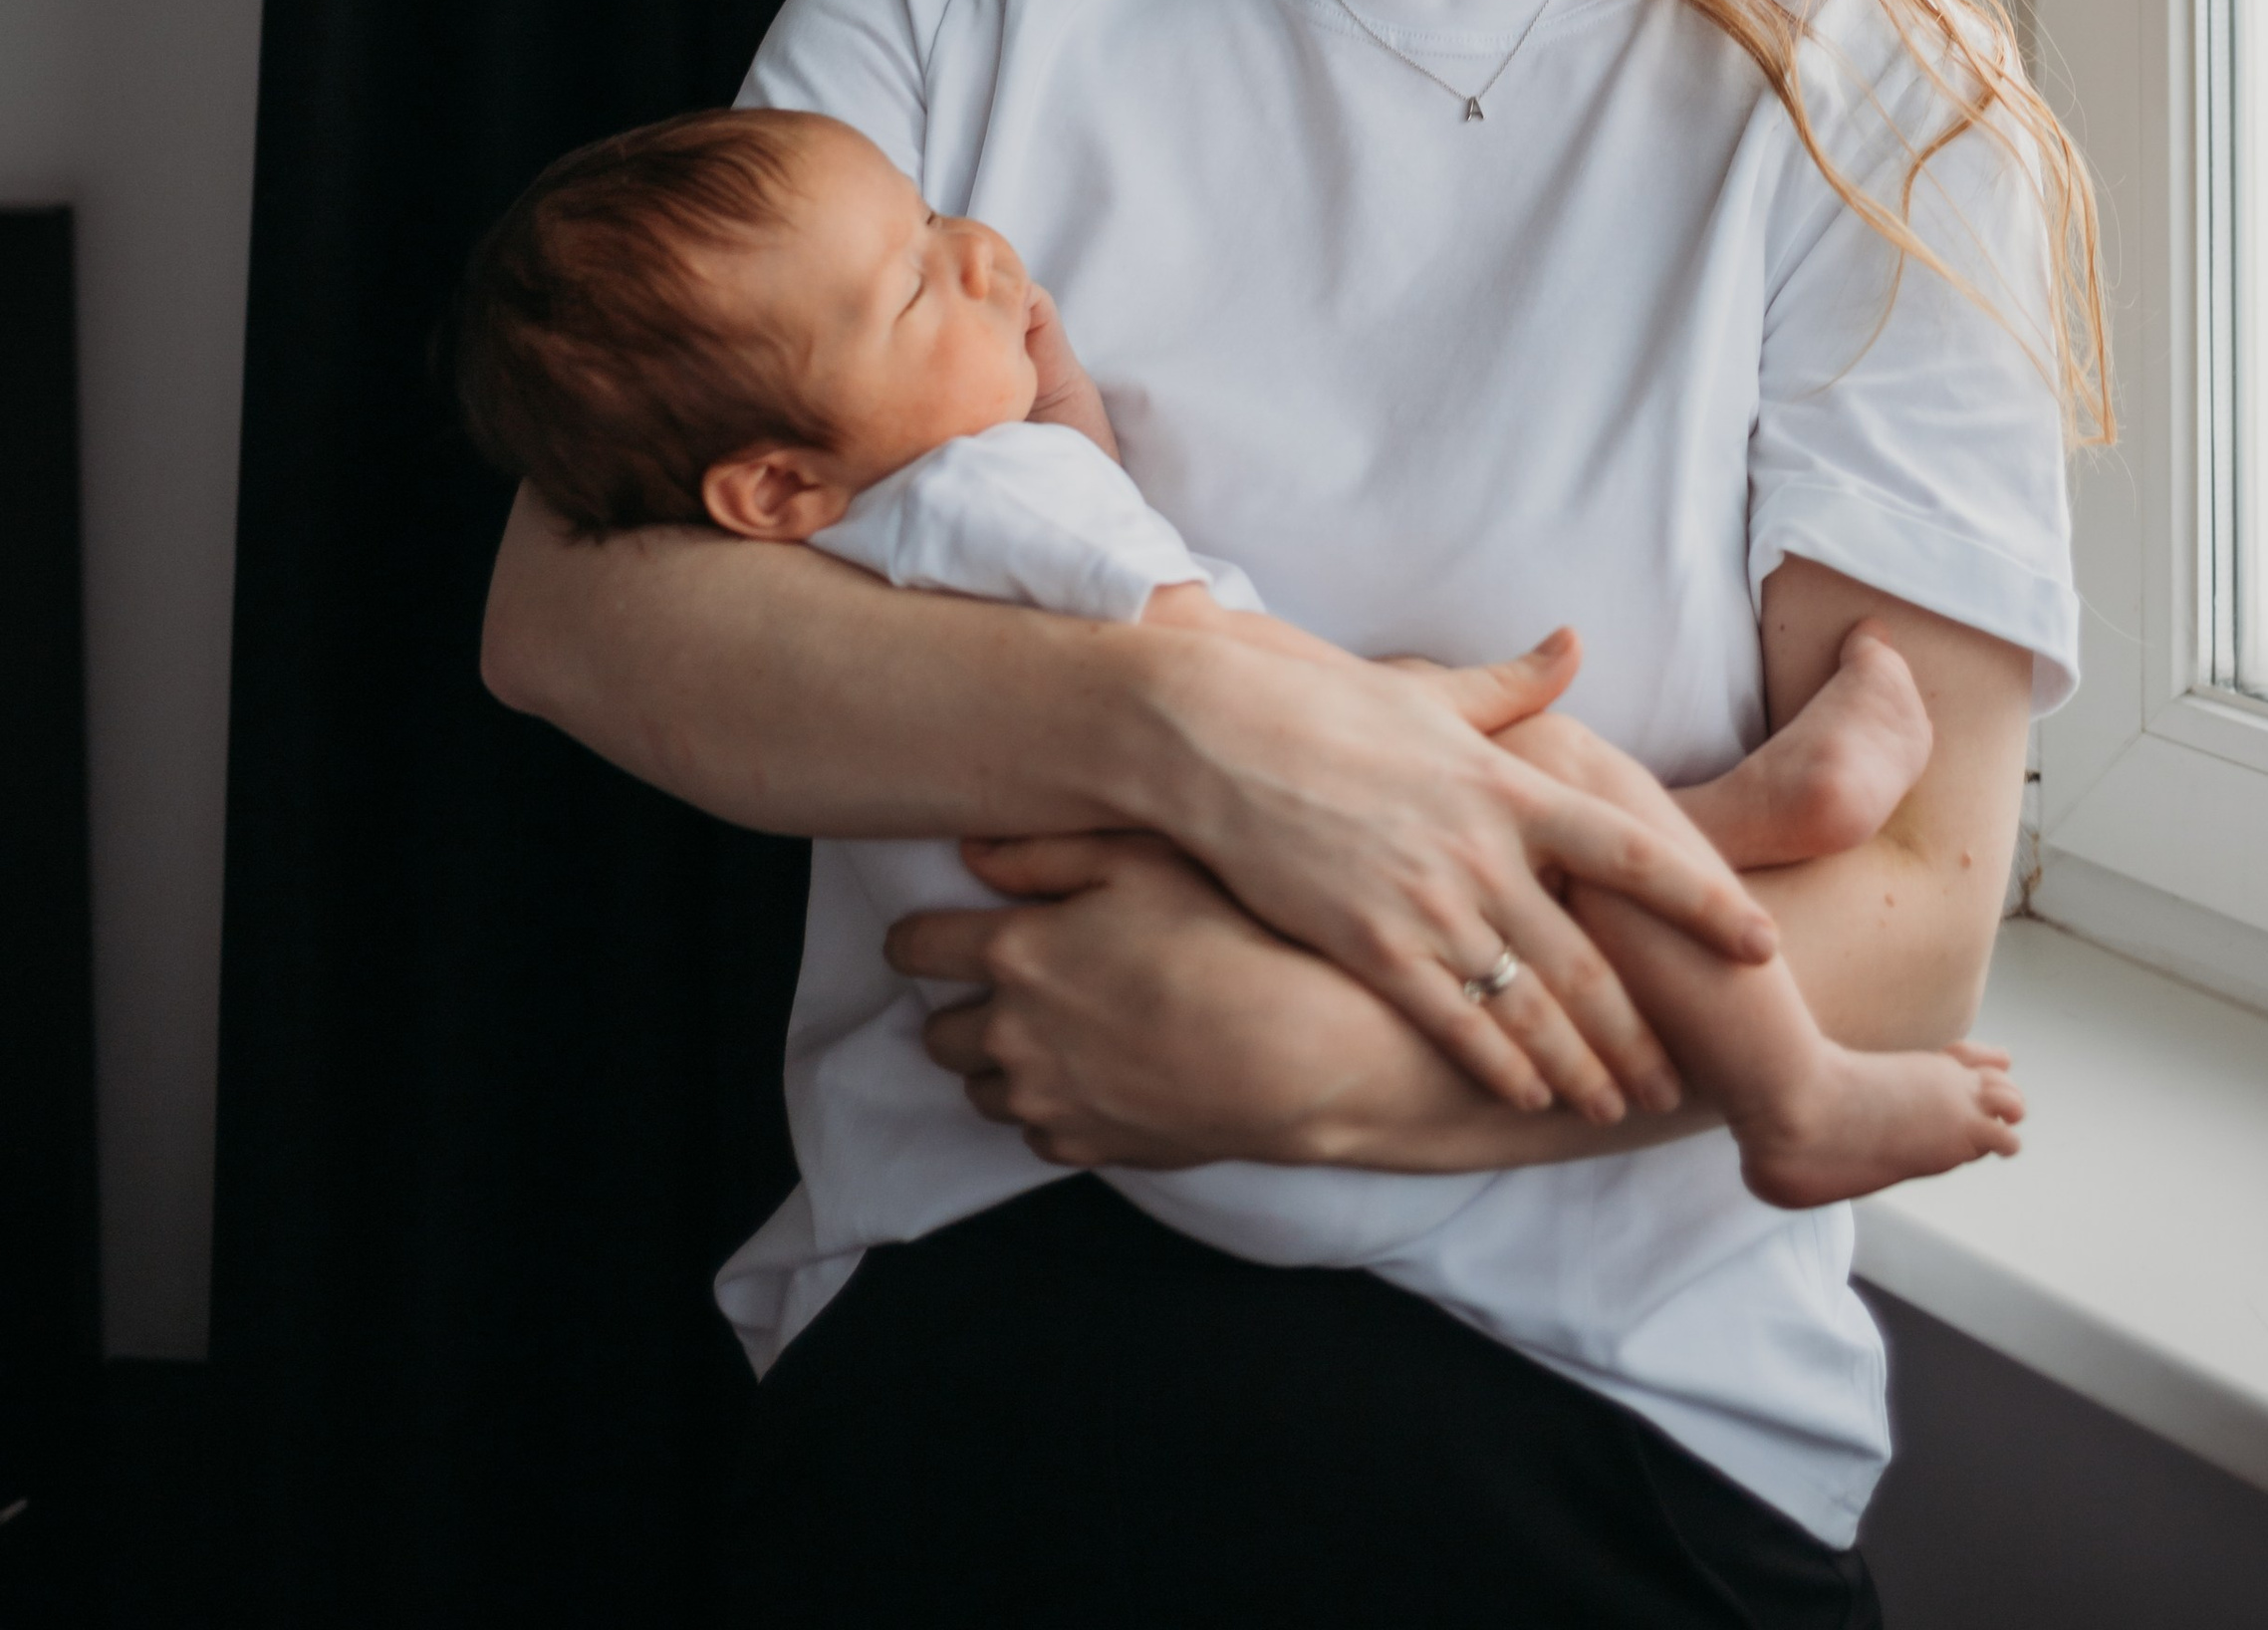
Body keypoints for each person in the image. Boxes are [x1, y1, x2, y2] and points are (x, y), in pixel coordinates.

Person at [480, 0, 2104, 1627]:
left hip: (1600, 1396)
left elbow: (1908, 918)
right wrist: (1197, 731)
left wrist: (1320, 1075)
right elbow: (584, 613)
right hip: (979, 1332)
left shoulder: (1879, 112)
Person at [447, 105, 2022, 1296]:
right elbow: (1209, 674)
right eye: (915, 290)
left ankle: (1734, 824)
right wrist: (1431, 722)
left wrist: (1035, 388)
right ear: (775, 482)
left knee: (1490, 793)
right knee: (1535, 768)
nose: (981, 251)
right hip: (1279, 1063)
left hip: (1215, 1130)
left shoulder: (890, 529)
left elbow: (1090, 529)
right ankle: (1790, 1078)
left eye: (935, 217)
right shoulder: (979, 497)